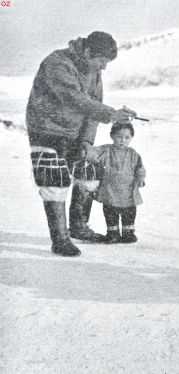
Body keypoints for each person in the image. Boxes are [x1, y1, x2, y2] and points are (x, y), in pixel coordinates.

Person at [27, 31, 136, 256]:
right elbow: (75, 99)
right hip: (47, 130)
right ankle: (60, 239)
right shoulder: (57, 63)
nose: (104, 67)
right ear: (87, 52)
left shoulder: (94, 71)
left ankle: (78, 226)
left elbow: (93, 108)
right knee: (54, 180)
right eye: (102, 61)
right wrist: (112, 115)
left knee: (90, 171)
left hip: (75, 134)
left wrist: (87, 141)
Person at [95, 121, 145, 244]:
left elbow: (140, 168)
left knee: (129, 212)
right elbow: (93, 153)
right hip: (110, 190)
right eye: (119, 137)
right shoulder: (106, 150)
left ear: (131, 138)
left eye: (127, 137)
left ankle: (128, 233)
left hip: (128, 191)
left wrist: (141, 178)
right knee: (110, 211)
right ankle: (113, 233)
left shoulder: (133, 154)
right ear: (112, 136)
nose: (123, 140)